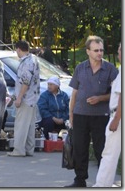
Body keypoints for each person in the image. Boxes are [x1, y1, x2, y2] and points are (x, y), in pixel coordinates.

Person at [65, 35, 118, 187]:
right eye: (96, 50)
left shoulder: (110, 69)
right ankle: (80, 180)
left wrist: (100, 98)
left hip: (101, 116)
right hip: (80, 114)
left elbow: (117, 93)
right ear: (88, 51)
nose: (99, 53)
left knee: (101, 149)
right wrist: (71, 114)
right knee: (80, 148)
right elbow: (74, 93)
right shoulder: (80, 68)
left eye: (101, 50)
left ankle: (104, 182)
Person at [93, 43, 121, 187]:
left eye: (119, 51)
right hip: (117, 114)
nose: (118, 54)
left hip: (118, 115)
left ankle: (102, 185)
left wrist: (116, 119)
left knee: (109, 153)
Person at [7, 40, 41, 157]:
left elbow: (25, 82)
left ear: (18, 49)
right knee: (30, 125)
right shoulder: (33, 59)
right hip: (32, 98)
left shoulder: (27, 62)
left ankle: (19, 150)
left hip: (26, 98)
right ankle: (29, 149)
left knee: (21, 125)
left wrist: (19, 98)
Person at [37, 76, 69, 140]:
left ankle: (68, 142)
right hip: (50, 118)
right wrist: (54, 118)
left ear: (57, 86)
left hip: (62, 119)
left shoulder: (64, 95)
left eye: (51, 84)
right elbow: (42, 109)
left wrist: (63, 118)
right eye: (48, 84)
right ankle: (48, 140)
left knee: (70, 122)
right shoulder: (44, 95)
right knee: (48, 121)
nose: (49, 86)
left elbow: (68, 109)